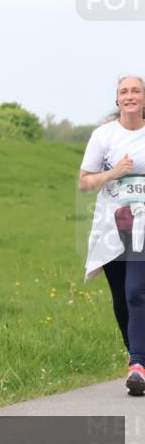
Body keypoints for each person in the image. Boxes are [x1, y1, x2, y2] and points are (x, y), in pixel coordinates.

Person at [80, 75, 145, 396]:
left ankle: (138, 364)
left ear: (144, 99)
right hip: (112, 227)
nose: (130, 96)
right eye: (124, 91)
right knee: (121, 298)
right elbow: (85, 182)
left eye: (136, 91)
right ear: (117, 100)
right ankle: (140, 361)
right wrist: (115, 172)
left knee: (136, 292)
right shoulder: (103, 136)